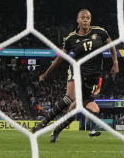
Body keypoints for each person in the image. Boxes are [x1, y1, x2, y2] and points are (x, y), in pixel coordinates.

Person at [33, 9, 118, 143]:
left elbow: (112, 47)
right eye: (83, 17)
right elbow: (60, 58)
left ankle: (56, 131)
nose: (85, 20)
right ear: (78, 20)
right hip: (77, 70)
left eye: (88, 17)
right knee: (69, 98)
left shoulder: (100, 32)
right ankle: (42, 123)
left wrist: (115, 63)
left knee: (74, 108)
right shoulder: (71, 38)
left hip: (93, 77)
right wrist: (46, 73)